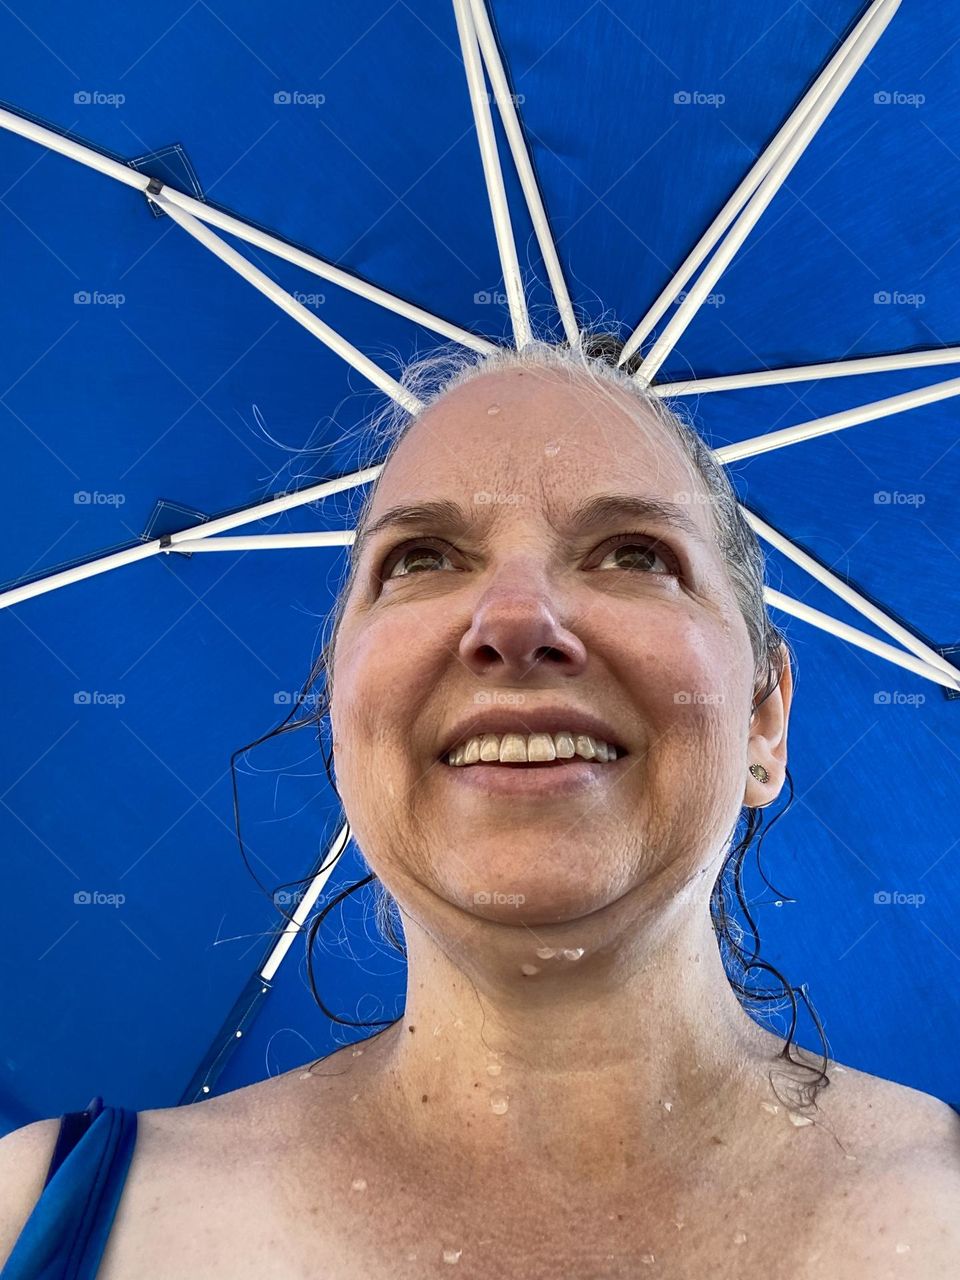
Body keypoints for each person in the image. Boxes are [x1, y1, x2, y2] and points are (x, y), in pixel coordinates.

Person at [2, 335, 959, 1278]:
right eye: (420, 559)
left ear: (763, 720)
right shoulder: (31, 1213)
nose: (513, 621)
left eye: (634, 552)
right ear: (340, 714)